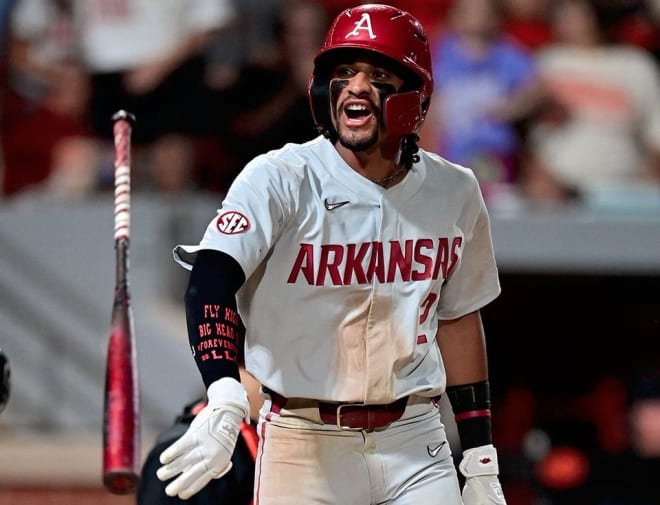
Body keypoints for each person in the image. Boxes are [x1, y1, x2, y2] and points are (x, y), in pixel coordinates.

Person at [156, 4, 508, 504]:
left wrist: (479, 459)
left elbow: (458, 319)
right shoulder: (279, 176)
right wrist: (225, 394)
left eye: (378, 74)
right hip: (304, 442)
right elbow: (210, 279)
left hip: (416, 440)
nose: (356, 87)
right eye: (343, 72)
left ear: (415, 97)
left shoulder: (455, 190)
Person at [519, 0, 660, 207]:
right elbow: (527, 134)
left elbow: (654, 133)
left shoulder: (635, 64)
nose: (569, 21)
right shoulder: (547, 62)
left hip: (625, 191)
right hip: (561, 191)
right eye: (562, 15)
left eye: (576, 14)